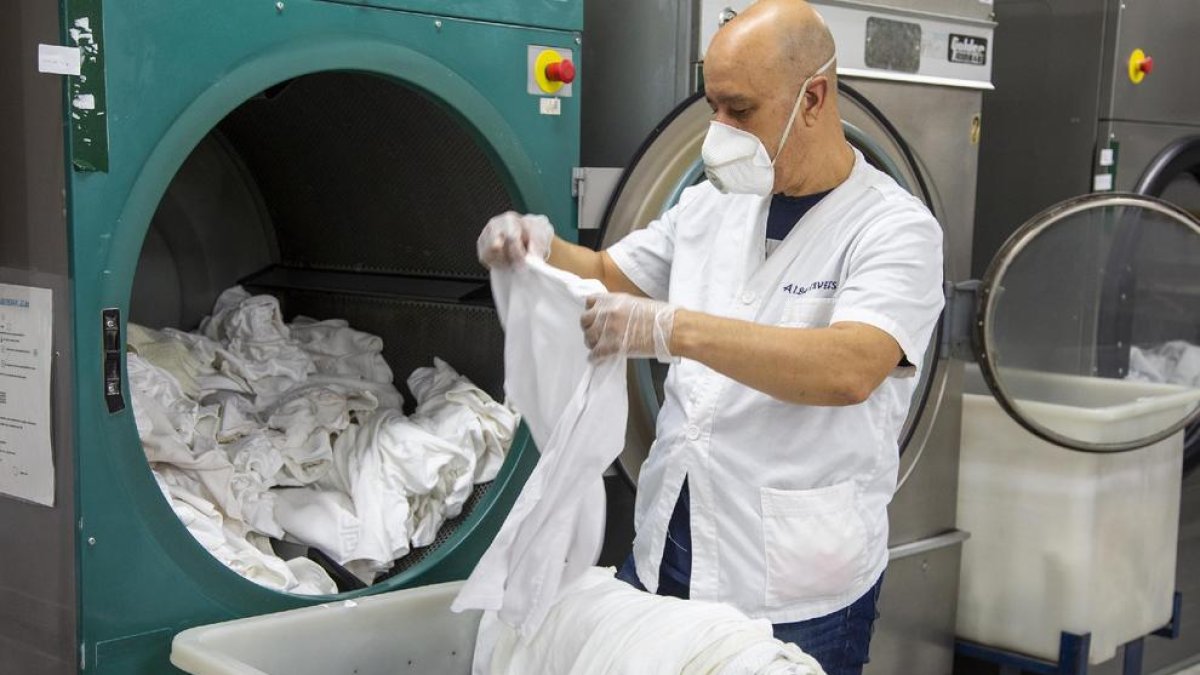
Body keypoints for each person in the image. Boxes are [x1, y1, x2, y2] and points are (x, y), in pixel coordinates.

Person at [475, 1, 944, 673]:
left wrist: (672, 329)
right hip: (667, 546)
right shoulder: (712, 201)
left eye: (741, 109)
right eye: (711, 107)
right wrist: (537, 246)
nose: (718, 131)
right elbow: (614, 274)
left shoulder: (894, 227)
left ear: (813, 98)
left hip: (794, 583)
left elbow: (851, 367)